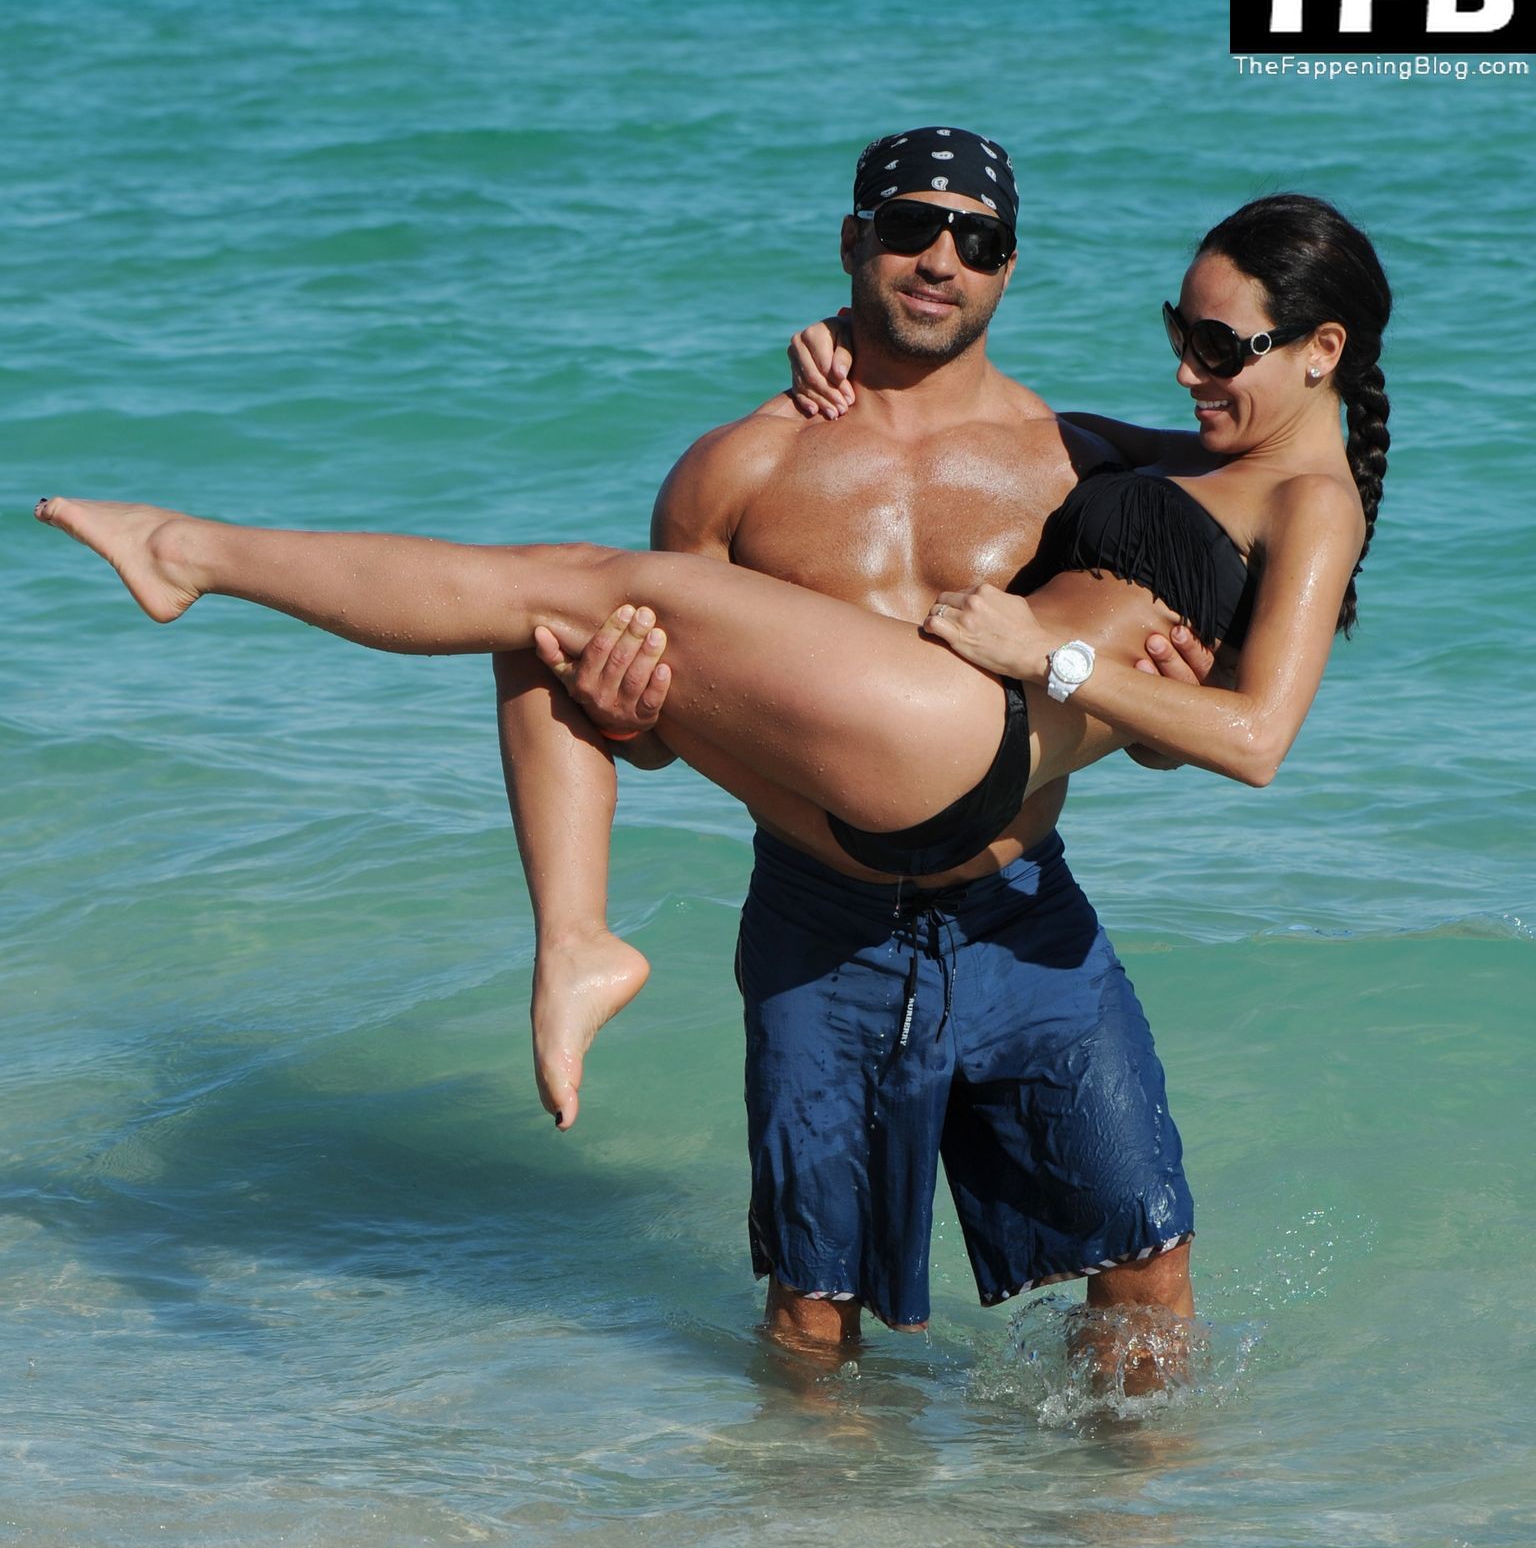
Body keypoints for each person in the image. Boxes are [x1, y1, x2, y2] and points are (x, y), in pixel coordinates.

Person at [37, 184, 1391, 1360]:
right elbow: (1078, 546)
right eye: (1178, 333)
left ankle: (193, 554)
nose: (1188, 371)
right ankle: (575, 945)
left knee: (568, 580)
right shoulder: (1180, 453)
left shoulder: (1310, 499)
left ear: (1323, 350)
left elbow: (1255, 740)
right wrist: (846, 347)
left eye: (1220, 345)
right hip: (902, 793)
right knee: (558, 631)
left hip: (970, 747)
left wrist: (1060, 655)